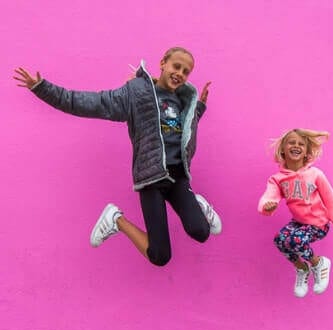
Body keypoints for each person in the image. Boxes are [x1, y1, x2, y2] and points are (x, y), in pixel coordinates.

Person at [13, 46, 221, 267]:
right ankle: (116, 219)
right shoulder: (136, 94)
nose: (180, 73)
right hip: (151, 180)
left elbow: (183, 128)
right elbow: (89, 103)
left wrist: (197, 108)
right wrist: (42, 88)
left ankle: (198, 205)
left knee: (201, 232)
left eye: (186, 71)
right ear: (163, 63)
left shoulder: (182, 99)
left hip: (179, 177)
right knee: (160, 256)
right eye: (176, 66)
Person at [257, 128, 333, 298]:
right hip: (298, 223)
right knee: (280, 240)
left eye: (301, 144)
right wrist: (267, 206)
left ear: (306, 151)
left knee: (295, 240)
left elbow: (332, 203)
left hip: (318, 224)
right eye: (292, 142)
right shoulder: (278, 179)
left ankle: (319, 263)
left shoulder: (316, 174)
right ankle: (302, 268)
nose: (296, 146)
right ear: (283, 148)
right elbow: (269, 197)